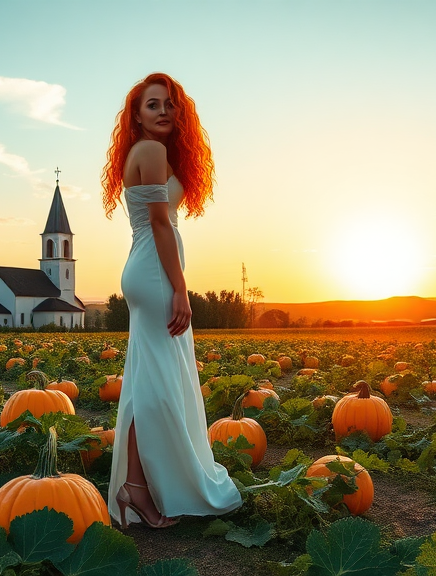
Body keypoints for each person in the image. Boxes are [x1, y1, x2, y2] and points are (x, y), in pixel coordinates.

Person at [101, 73, 242, 529]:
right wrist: (181, 288)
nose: (163, 111)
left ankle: (136, 487)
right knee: (157, 385)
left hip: (145, 268)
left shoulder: (144, 153)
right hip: (155, 273)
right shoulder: (152, 151)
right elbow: (162, 223)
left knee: (150, 381)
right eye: (152, 105)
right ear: (137, 114)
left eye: (169, 104)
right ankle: (139, 488)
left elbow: (160, 221)